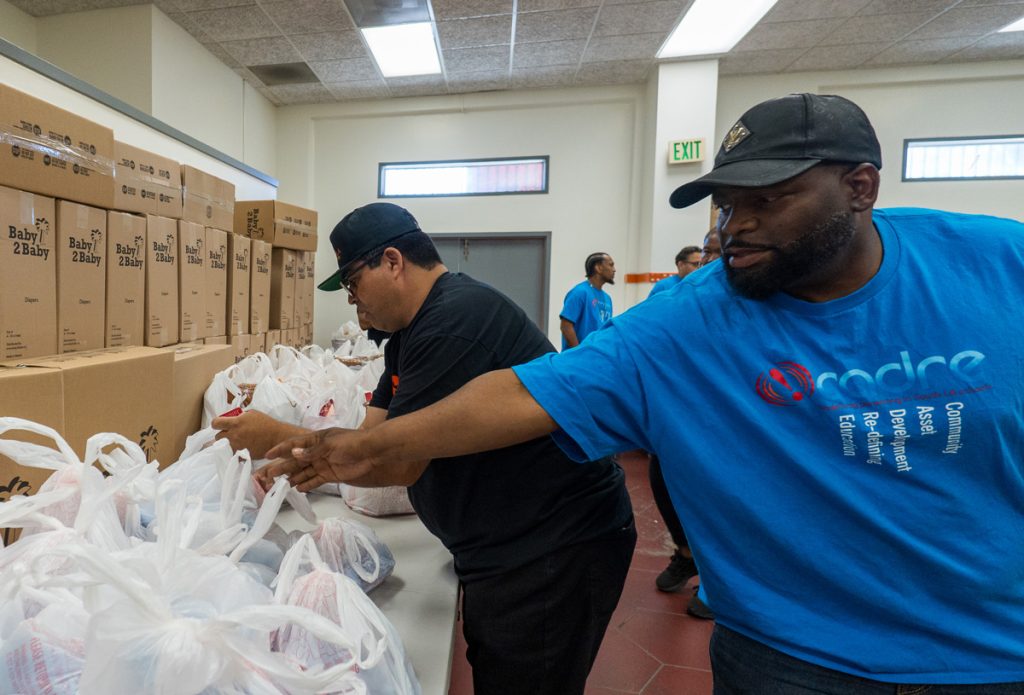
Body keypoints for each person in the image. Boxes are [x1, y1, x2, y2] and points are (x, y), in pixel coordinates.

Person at [262, 93, 1024, 693]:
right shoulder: (693, 316)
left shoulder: (995, 266)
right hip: (795, 655)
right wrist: (343, 449)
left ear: (861, 188)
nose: (734, 227)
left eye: (768, 200)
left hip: (993, 645)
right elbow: (525, 394)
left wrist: (342, 448)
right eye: (725, 203)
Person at [218, 202, 635, 695]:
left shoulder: (454, 321)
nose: (353, 302)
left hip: (553, 547)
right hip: (505, 547)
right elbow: (375, 437)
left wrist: (280, 439)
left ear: (392, 261)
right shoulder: (405, 338)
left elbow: (396, 461)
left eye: (352, 283)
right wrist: (295, 455)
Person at [559, 252, 615, 349]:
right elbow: (566, 326)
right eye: (611, 265)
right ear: (598, 268)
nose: (614, 270)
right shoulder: (579, 292)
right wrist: (578, 352)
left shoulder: (607, 298)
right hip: (578, 360)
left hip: (598, 358)